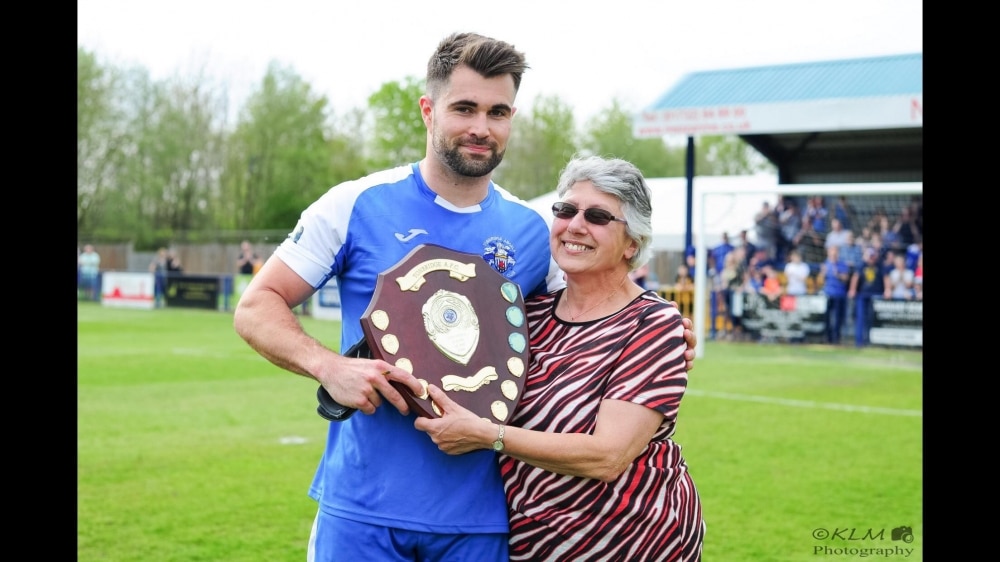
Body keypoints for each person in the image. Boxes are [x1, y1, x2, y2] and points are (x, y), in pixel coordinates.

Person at [233, 32, 698, 562]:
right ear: (428, 110)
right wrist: (327, 366)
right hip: (362, 508)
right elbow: (257, 305)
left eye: (498, 112)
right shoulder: (354, 204)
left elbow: (594, 303)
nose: (481, 127)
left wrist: (663, 322)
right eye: (465, 108)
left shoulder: (533, 232)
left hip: (485, 520)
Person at [415, 155, 705, 561]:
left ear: (633, 244)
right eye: (565, 210)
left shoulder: (653, 324)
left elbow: (607, 456)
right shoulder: (524, 315)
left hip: (632, 540)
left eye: (599, 216)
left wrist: (485, 435)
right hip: (535, 543)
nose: (575, 225)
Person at [847, 248, 885, 347]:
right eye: (870, 257)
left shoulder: (879, 265)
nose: (871, 259)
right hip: (862, 295)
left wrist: (887, 290)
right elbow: (856, 277)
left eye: (873, 257)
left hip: (875, 295)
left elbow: (886, 277)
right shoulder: (862, 265)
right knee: (860, 318)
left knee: (872, 319)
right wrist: (852, 290)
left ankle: (869, 341)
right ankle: (859, 342)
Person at [819, 244, 851, 344]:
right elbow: (820, 280)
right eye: (831, 251)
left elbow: (846, 278)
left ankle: (837, 338)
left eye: (835, 251)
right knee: (827, 317)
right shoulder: (825, 264)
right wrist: (822, 273)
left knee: (838, 318)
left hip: (839, 295)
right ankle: (827, 338)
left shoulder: (842, 264)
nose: (833, 254)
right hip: (828, 294)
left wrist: (838, 275)